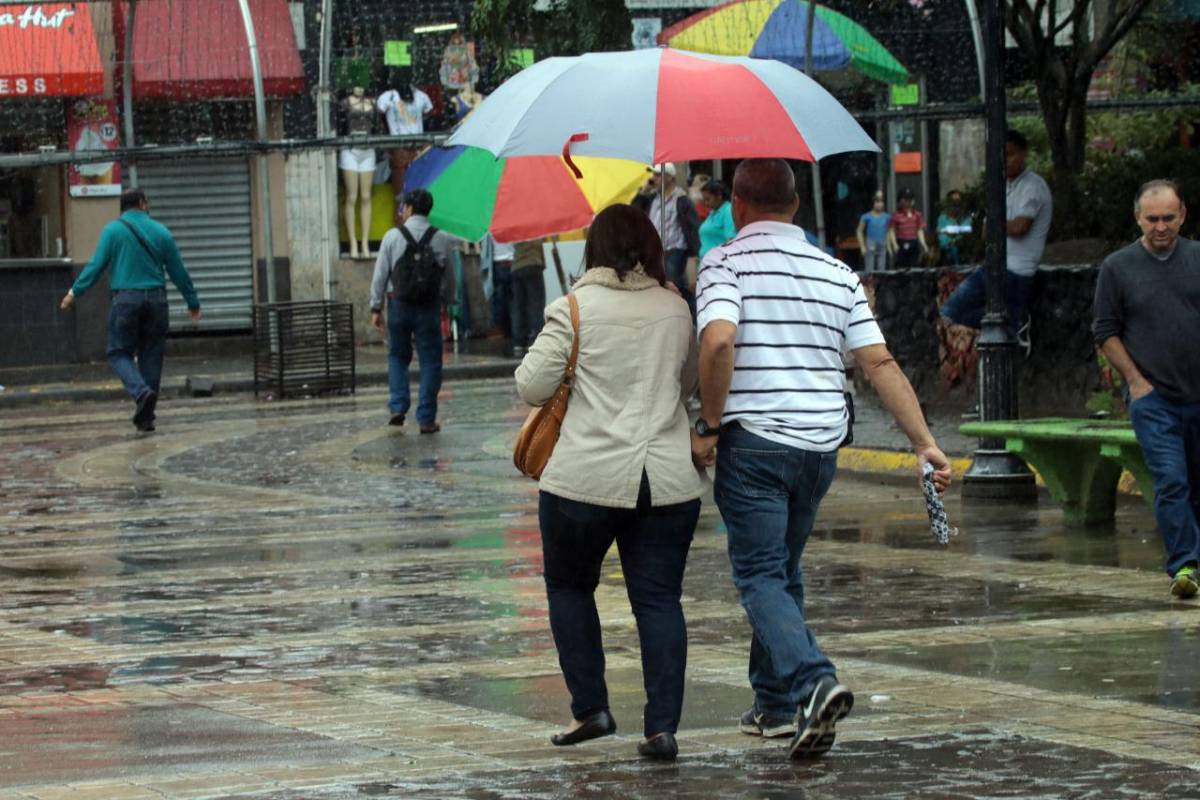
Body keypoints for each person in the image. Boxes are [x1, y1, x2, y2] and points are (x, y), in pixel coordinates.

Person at [692, 159, 952, 760]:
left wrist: (708, 422)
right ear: (795, 207)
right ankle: (776, 706)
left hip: (754, 443)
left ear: (736, 204)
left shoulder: (724, 262)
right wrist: (923, 442)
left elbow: (718, 340)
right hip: (820, 447)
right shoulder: (836, 271)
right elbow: (879, 363)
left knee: (759, 574)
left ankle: (813, 681)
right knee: (780, 570)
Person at [515, 204, 703, 762]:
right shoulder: (677, 308)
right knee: (659, 601)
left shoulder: (573, 308)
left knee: (570, 588)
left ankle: (590, 707)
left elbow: (530, 385)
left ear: (592, 250)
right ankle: (661, 727)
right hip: (666, 484)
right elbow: (687, 382)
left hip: (582, 483)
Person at [1093, 179, 1200, 598]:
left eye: (1168, 218)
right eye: (1152, 218)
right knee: (1172, 480)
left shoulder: (1196, 259)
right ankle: (1185, 565)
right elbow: (1105, 332)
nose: (1160, 227)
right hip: (1154, 401)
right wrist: (1137, 383)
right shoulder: (1118, 268)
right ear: (1138, 217)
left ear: (1183, 215)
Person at [59, 189, 201, 433]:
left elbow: (96, 266)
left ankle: (140, 392)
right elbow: (178, 271)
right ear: (142, 204)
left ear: (123, 208)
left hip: (126, 300)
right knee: (151, 355)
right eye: (148, 202)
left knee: (117, 351)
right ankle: (147, 418)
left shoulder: (112, 231)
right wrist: (192, 301)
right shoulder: (161, 232)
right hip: (157, 300)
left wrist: (74, 293)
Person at [941, 130, 1052, 336]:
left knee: (955, 310)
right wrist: (996, 226)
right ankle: (1015, 319)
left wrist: (995, 226)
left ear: (1023, 154)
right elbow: (986, 232)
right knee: (952, 311)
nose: (1006, 161)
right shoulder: (1003, 186)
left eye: (1010, 154)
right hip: (998, 266)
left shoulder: (1032, 187)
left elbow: (1020, 227)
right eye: (1002, 155)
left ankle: (1015, 320)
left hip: (1017, 270)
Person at [369, 189, 457, 433]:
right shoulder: (441, 238)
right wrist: (448, 303)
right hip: (429, 309)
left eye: (402, 207)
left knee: (397, 356)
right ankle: (426, 419)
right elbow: (450, 276)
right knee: (430, 362)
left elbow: (380, 275)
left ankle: (398, 407)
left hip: (399, 305)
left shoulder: (392, 237)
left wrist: (375, 307)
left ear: (408, 208)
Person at [633, 163, 701, 314]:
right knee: (663, 287)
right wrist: (643, 192)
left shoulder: (681, 200)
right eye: (654, 175)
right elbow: (633, 212)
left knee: (674, 287)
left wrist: (694, 254)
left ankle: (693, 316)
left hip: (674, 251)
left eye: (658, 175)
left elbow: (693, 227)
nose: (654, 178)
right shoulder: (652, 199)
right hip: (654, 252)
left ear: (669, 177)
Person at [510, 238, 547, 357]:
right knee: (536, 304)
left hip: (516, 266)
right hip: (533, 263)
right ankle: (538, 339)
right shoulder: (534, 227)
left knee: (518, 306)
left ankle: (518, 342)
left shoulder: (516, 226)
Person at [887, 188, 927, 268]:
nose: (908, 201)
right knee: (901, 266)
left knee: (915, 265)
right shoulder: (896, 215)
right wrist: (894, 244)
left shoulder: (917, 215)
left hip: (914, 242)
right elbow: (891, 231)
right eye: (905, 199)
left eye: (910, 198)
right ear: (900, 200)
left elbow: (919, 230)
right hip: (901, 242)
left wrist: (923, 243)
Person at [699, 179, 737, 259]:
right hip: (707, 262)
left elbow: (730, 240)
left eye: (708, 199)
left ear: (719, 196)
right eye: (704, 200)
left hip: (718, 263)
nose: (705, 203)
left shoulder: (728, 210)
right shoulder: (713, 212)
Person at [856, 190, 891, 273]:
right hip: (870, 243)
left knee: (881, 269)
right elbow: (859, 231)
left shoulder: (887, 217)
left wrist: (889, 246)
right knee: (869, 269)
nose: (879, 204)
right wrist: (862, 246)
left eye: (881, 201)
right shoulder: (866, 217)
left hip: (883, 244)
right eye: (877, 201)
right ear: (873, 202)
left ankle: (880, 284)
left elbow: (889, 232)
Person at [936, 189, 972, 266]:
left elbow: (967, 229)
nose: (956, 206)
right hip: (946, 248)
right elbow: (940, 234)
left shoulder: (966, 217)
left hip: (963, 247)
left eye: (958, 202)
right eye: (953, 202)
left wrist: (948, 230)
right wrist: (952, 236)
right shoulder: (942, 218)